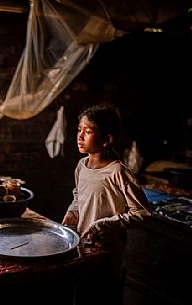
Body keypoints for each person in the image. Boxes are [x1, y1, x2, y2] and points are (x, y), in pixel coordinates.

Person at [62, 103, 152, 305]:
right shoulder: (81, 166)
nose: (80, 136)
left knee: (106, 298)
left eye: (88, 131)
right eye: (79, 130)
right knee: (83, 295)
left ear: (107, 140)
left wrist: (107, 223)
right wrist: (72, 211)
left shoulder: (117, 172)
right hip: (84, 248)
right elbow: (78, 196)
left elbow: (143, 213)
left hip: (109, 254)